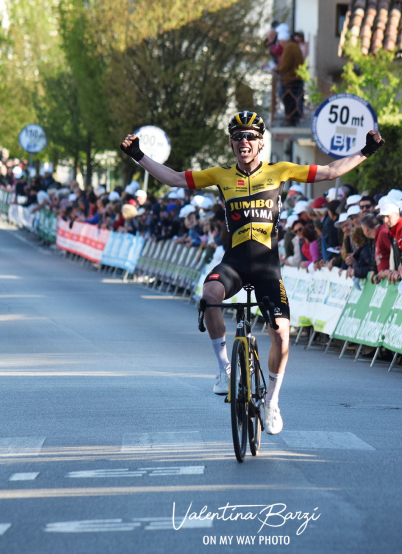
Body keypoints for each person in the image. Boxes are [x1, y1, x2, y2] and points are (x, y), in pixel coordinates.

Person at [120, 111, 384, 435]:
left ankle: (272, 402)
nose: (243, 141)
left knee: (282, 336)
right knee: (210, 296)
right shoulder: (220, 174)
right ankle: (223, 370)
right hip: (233, 264)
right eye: (237, 137)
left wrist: (366, 151)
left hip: (267, 268)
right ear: (231, 143)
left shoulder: (279, 171)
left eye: (249, 137)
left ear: (260, 143)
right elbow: (174, 178)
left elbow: (329, 170)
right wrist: (138, 156)